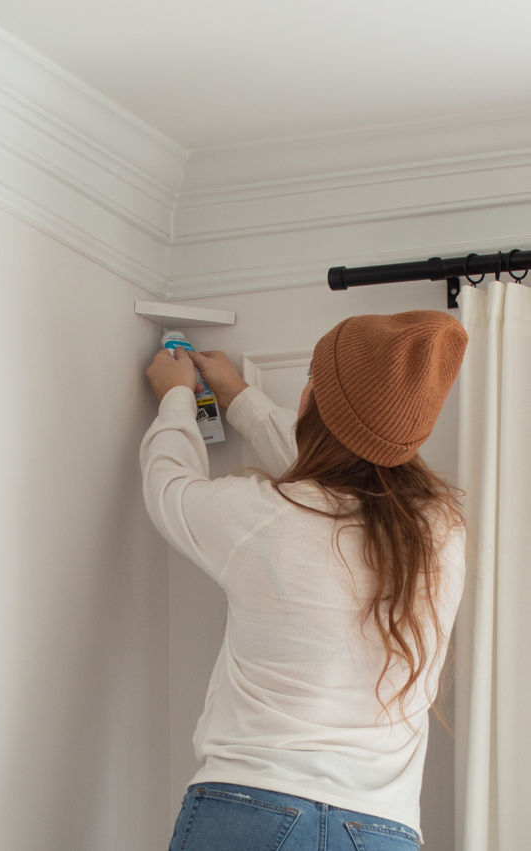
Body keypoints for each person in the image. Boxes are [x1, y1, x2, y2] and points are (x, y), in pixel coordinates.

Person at [140, 310, 468, 851]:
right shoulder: (440, 534)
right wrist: (241, 399)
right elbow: (349, 476)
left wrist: (176, 397)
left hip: (251, 810)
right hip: (382, 830)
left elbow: (169, 488)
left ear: (317, 402)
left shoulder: (263, 515)